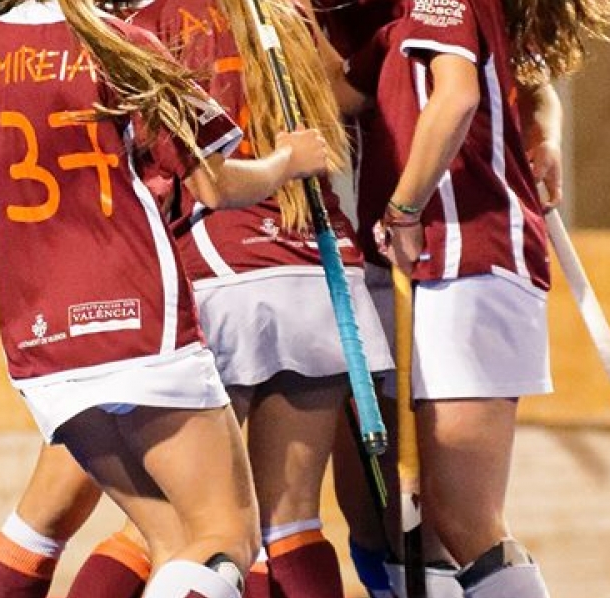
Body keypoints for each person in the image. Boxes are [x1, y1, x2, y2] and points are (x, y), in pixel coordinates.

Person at [0, 1, 335, 596]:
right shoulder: (125, 45)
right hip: (139, 327)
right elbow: (216, 185)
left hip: (43, 351)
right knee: (226, 534)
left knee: (169, 540)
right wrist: (287, 162)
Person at [354, 0, 610, 596]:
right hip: (427, 265)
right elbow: (531, 78)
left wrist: (403, 210)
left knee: (463, 515)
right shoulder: (388, 15)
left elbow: (457, 97)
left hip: (462, 258)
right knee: (409, 521)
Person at [133, 0, 389, 597]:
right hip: (317, 266)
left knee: (174, 527)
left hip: (224, 268)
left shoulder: (155, 21)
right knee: (293, 519)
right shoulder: (292, 13)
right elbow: (344, 97)